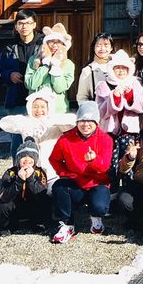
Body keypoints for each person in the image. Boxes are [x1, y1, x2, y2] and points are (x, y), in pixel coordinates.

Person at [48, 101, 114, 243]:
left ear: (96, 122)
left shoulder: (105, 139)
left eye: (90, 120)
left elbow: (104, 167)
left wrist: (94, 160)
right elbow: (54, 159)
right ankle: (67, 224)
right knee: (59, 186)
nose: (85, 124)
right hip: (75, 182)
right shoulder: (65, 139)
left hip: (97, 183)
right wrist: (66, 174)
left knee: (100, 207)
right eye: (82, 120)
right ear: (77, 121)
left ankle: (96, 217)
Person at [0, 89, 76, 192]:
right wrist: (27, 123)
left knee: (53, 192)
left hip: (52, 170)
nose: (39, 110)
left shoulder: (55, 124)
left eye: (43, 107)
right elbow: (3, 123)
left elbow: (73, 121)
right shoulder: (26, 122)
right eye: (35, 107)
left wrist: (51, 121)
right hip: (31, 170)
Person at [0, 138, 50, 236]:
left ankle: (38, 223)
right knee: (1, 205)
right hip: (15, 206)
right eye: (23, 157)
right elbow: (4, 195)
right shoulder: (10, 172)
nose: (27, 159)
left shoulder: (40, 172)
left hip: (32, 206)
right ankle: (6, 226)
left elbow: (42, 194)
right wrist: (19, 180)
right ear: (18, 159)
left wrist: (31, 179)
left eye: (31, 157)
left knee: (47, 201)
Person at [0, 10, 43, 115]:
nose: (24, 27)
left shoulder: (43, 45)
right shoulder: (9, 48)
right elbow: (0, 72)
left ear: (34, 25)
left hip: (39, 99)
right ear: (16, 26)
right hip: (16, 99)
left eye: (28, 23)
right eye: (21, 23)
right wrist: (9, 75)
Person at [24, 23, 75, 113]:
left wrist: (55, 67)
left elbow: (60, 88)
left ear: (63, 44)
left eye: (58, 42)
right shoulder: (34, 59)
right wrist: (45, 66)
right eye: (51, 41)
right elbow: (31, 84)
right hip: (37, 110)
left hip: (58, 110)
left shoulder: (68, 64)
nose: (55, 45)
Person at [96, 51, 143, 135]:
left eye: (124, 68)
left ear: (129, 69)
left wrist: (130, 96)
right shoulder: (103, 85)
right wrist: (114, 98)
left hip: (130, 130)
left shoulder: (135, 83)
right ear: (112, 69)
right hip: (109, 131)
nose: (121, 71)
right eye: (117, 68)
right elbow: (100, 112)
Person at [76, 33, 115, 105]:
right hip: (98, 113)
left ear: (111, 48)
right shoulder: (87, 71)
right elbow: (82, 97)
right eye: (99, 45)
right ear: (94, 48)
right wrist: (91, 110)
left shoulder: (119, 66)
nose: (102, 48)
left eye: (106, 45)